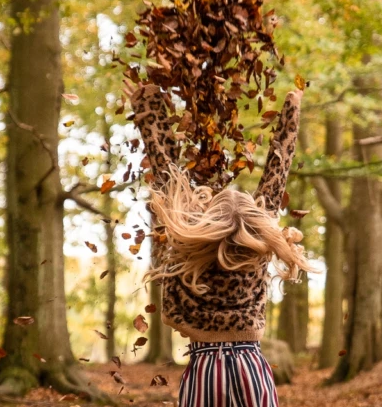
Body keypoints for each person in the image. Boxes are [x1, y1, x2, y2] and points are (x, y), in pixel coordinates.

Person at [125, 82, 314, 407]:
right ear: (251, 223)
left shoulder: (187, 255)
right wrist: (291, 113)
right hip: (250, 369)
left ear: (210, 219)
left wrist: (147, 108)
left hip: (205, 370)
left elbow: (166, 175)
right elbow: (276, 173)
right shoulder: (257, 249)